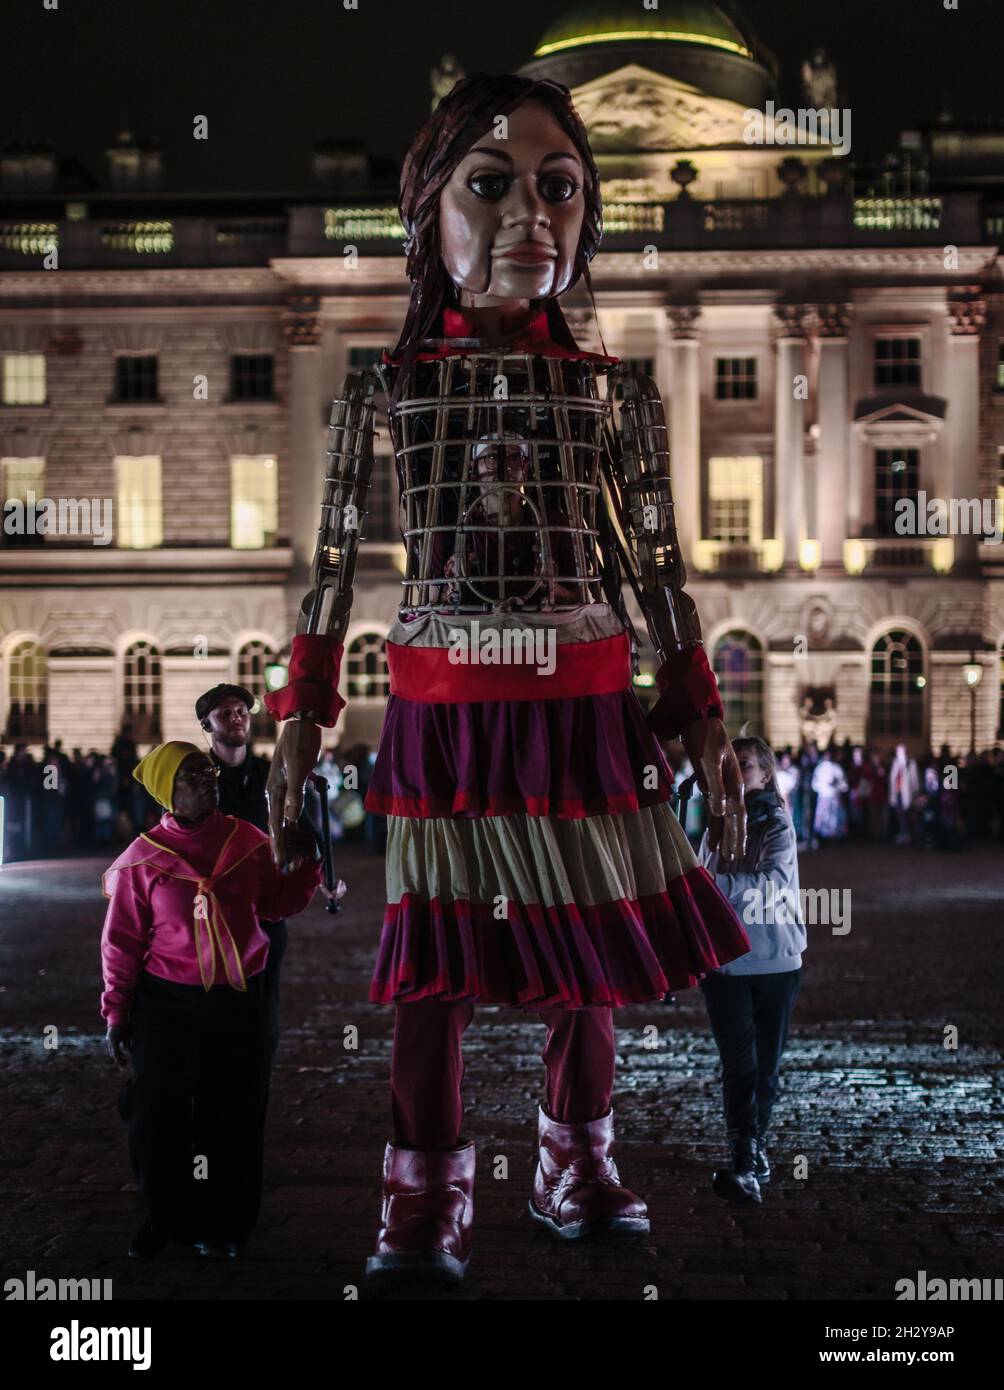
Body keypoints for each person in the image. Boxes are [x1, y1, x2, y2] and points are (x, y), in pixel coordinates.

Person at [263, 73, 750, 1285]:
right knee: (432, 974)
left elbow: (654, 564)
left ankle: (570, 1159)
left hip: (584, 701)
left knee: (586, 967)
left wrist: (700, 715)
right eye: (491, 184)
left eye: (559, 186)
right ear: (428, 209)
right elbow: (329, 565)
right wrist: (300, 714)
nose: (532, 213)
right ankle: (424, 1191)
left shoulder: (615, 391)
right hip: (443, 706)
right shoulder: (382, 386)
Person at [100, 741, 320, 1260]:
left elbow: (278, 903)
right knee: (156, 1113)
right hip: (165, 1005)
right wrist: (116, 1012)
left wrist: (307, 864)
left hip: (239, 1001)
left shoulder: (246, 840)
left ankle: (227, 1225)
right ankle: (165, 1215)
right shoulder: (142, 860)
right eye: (192, 774)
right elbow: (122, 942)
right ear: (166, 792)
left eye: (208, 770)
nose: (208, 779)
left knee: (235, 1112)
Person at [196, 683, 345, 1066]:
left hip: (264, 905)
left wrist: (327, 878)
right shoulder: (197, 779)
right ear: (206, 725)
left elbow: (306, 826)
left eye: (241, 711)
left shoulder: (270, 772)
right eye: (224, 713)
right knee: (214, 990)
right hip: (214, 907)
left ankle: (257, 1059)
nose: (236, 717)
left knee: (262, 996)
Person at [698, 735, 805, 1205]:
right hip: (724, 963)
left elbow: (773, 885)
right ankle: (744, 1156)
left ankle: (755, 1147)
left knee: (765, 1065)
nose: (736, 772)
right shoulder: (715, 823)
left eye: (744, 764)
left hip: (776, 958)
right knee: (739, 1065)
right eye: (728, 764)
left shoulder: (777, 823)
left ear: (765, 773)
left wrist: (711, 884)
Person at [811, 746, 848, 843]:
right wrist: (824, 786)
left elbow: (844, 784)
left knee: (834, 818)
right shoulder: (820, 768)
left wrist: (836, 784)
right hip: (823, 797)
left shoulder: (837, 768)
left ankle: (835, 837)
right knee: (823, 818)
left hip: (834, 797)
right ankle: (821, 837)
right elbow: (814, 784)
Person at [889, 742, 919, 845]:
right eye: (898, 751)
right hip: (897, 793)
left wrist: (916, 792)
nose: (899, 752)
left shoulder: (911, 762)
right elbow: (892, 779)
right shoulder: (895, 763)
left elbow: (914, 780)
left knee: (907, 815)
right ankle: (903, 834)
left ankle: (908, 835)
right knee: (899, 815)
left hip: (907, 794)